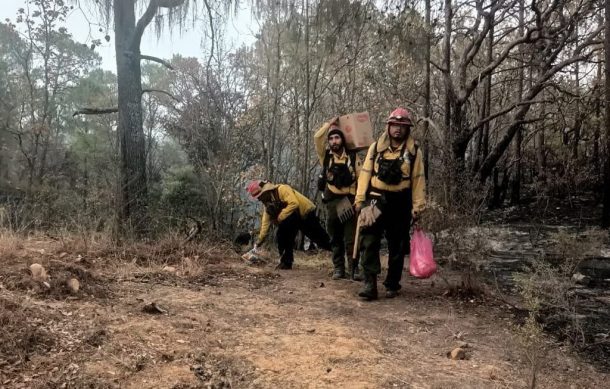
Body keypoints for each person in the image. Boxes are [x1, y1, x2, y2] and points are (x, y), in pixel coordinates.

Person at [354, 107, 426, 300]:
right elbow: (365, 174)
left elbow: (418, 180)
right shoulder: (376, 147)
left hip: (400, 201)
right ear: (388, 126)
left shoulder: (414, 152)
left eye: (402, 126)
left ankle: (393, 283)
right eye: (395, 125)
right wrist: (360, 199)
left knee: (398, 244)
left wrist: (418, 207)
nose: (398, 130)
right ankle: (370, 283)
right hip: (375, 198)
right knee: (369, 239)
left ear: (407, 129)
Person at [314, 118, 363, 280]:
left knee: (350, 237)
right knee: (335, 237)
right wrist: (328, 124)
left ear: (342, 140)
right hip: (332, 201)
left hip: (349, 201)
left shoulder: (353, 158)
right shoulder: (326, 157)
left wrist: (359, 200)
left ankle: (354, 269)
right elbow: (317, 138)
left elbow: (362, 178)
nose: (334, 141)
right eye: (331, 138)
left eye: (337, 137)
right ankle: (339, 268)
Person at [247, 180, 331, 269]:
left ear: (265, 192)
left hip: (306, 214)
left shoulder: (282, 189)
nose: (259, 199)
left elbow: (294, 203)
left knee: (321, 239)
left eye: (259, 196)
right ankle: (286, 262)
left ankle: (339, 251)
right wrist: (259, 241)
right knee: (282, 235)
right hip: (292, 219)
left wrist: (280, 217)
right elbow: (265, 223)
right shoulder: (267, 204)